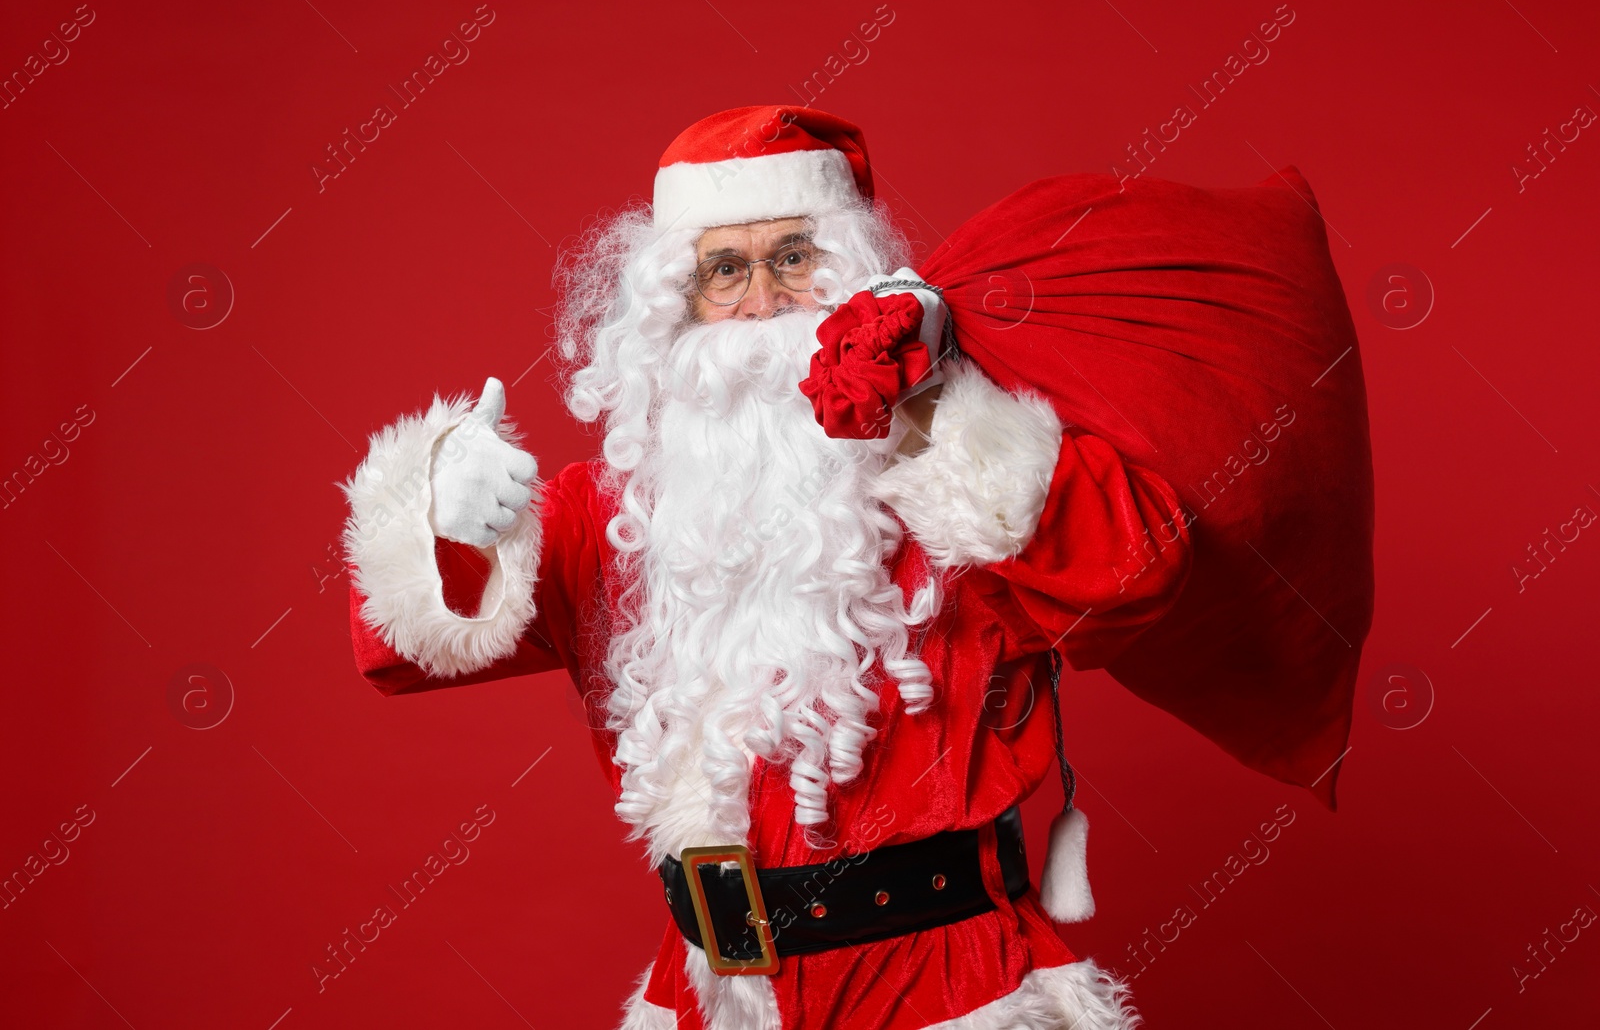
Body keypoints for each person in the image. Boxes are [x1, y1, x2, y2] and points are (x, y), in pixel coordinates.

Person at [339, 106, 1192, 1030]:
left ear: (857, 280)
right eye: (724, 270)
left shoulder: (945, 481)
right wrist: (444, 519)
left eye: (793, 259)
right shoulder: (610, 515)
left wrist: (954, 413)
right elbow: (399, 652)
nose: (760, 303)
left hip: (947, 988)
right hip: (713, 996)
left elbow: (1137, 578)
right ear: (674, 305)